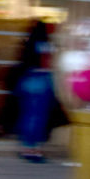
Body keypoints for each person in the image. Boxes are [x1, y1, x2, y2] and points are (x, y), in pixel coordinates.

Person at [10, 20, 62, 163]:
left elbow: (23, 62)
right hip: (41, 80)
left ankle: (25, 147)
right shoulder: (46, 45)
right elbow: (48, 63)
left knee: (27, 115)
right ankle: (35, 149)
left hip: (27, 80)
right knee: (39, 117)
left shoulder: (28, 43)